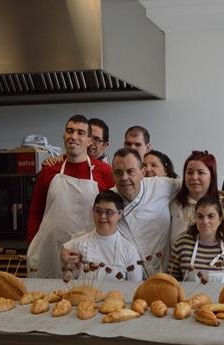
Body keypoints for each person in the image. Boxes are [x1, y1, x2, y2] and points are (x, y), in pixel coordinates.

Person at [26, 114, 114, 278]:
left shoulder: (105, 172)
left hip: (88, 254)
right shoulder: (48, 171)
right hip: (48, 251)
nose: (73, 137)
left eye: (80, 133)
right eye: (70, 131)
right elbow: (35, 213)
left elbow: (113, 216)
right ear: (64, 136)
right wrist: (34, 245)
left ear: (89, 141)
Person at [111, 147, 181, 275]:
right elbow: (91, 230)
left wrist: (222, 194)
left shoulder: (161, 185)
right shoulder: (109, 200)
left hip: (164, 273)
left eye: (130, 171)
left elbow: (193, 187)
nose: (124, 178)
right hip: (129, 277)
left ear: (143, 172)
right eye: (118, 172)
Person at [60, 190, 143, 281]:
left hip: (117, 295)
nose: (102, 216)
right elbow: (69, 280)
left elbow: (134, 286)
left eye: (109, 212)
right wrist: (66, 263)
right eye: (98, 211)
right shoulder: (78, 244)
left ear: (120, 214)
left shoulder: (129, 250)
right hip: (85, 293)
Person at [169, 196, 224, 282]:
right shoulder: (181, 245)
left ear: (220, 219)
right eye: (200, 216)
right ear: (195, 218)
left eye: (211, 216)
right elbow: (171, 284)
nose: (205, 221)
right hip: (189, 296)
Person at [169, 151, 224, 248]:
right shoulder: (174, 205)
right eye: (189, 172)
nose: (194, 177)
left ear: (212, 176)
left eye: (200, 172)